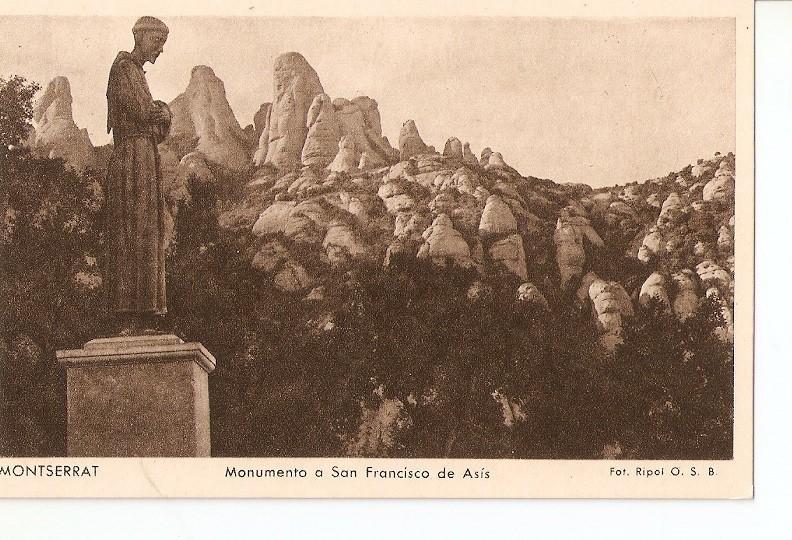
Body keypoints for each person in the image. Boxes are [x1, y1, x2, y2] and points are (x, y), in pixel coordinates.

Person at [105, 16, 172, 334]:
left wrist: (163, 113)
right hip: (132, 158)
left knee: (146, 230)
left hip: (144, 156)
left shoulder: (134, 72)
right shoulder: (124, 69)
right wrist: (161, 111)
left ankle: (145, 314)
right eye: (158, 42)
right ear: (141, 37)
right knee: (134, 229)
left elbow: (158, 126)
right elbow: (145, 112)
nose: (160, 50)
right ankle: (131, 314)